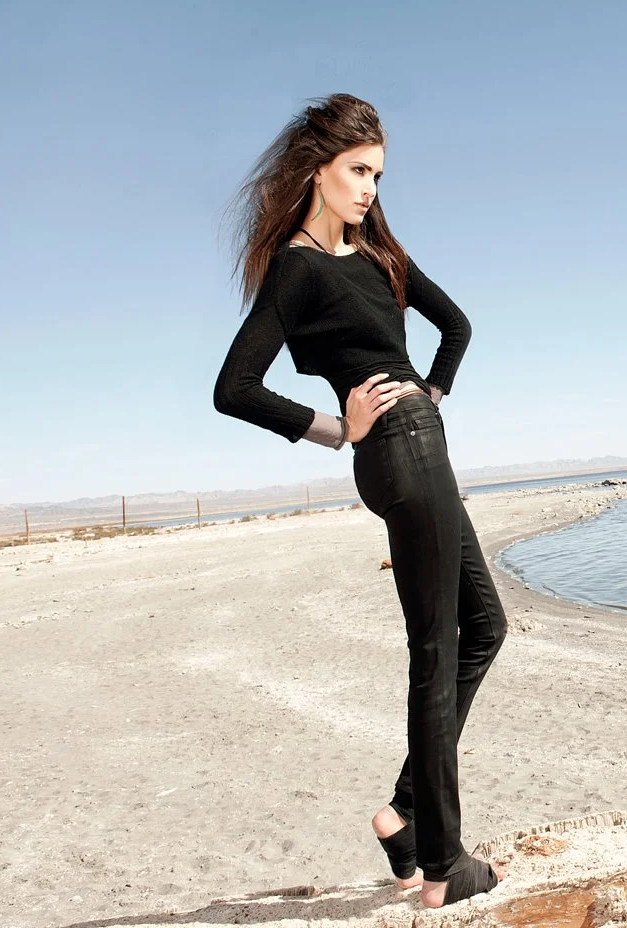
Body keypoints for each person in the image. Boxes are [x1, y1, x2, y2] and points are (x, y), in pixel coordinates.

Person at [212, 93, 508, 908]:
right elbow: (233, 388)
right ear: (319, 171)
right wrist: (331, 428)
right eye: (358, 170)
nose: (372, 187)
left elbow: (458, 326)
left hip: (417, 447)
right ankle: (447, 868)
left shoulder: (379, 254)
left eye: (379, 173)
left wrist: (432, 391)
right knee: (436, 649)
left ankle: (405, 819)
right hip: (397, 454)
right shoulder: (298, 268)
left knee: (484, 625)